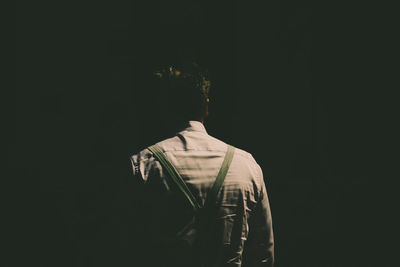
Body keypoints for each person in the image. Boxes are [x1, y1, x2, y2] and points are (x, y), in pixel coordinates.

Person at [129, 63, 274, 266]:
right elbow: (263, 255)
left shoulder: (143, 165)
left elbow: (128, 245)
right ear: (206, 106)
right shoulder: (246, 165)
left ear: (164, 107)